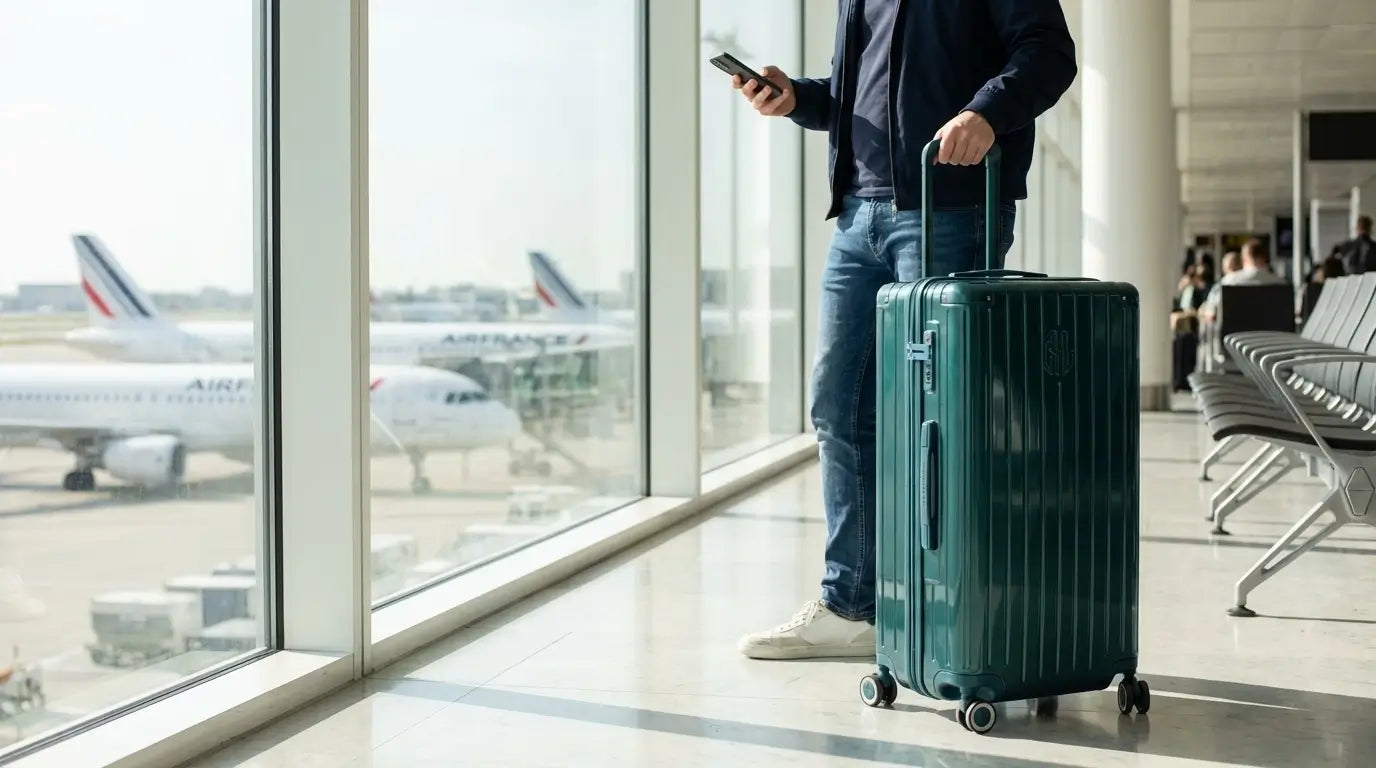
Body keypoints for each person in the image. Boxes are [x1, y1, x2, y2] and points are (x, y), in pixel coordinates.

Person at [728, 0, 1077, 660]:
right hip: (859, 219)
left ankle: (957, 605)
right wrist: (796, 98)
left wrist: (985, 113)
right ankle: (853, 606)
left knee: (939, 415)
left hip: (948, 208)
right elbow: (855, 100)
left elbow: (1049, 54)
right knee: (839, 407)